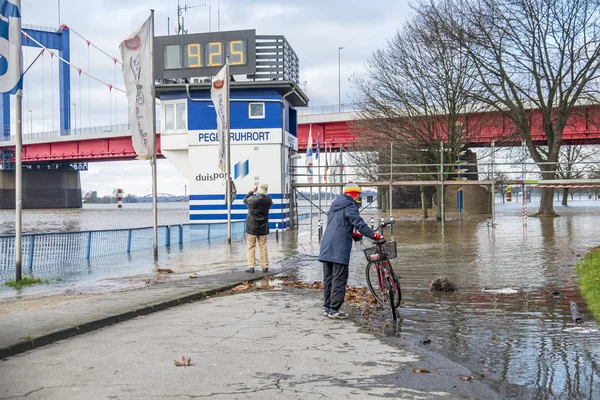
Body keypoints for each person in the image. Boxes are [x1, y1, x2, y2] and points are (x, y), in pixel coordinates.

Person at [318, 182, 382, 319]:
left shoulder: (335, 205)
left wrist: (352, 234)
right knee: (339, 278)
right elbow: (358, 222)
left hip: (326, 245)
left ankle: (327, 307)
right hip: (339, 247)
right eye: (358, 195)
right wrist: (373, 234)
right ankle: (334, 310)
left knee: (328, 278)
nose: (359, 197)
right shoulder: (350, 205)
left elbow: (337, 224)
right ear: (354, 194)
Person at [244, 183, 273, 273]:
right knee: (263, 247)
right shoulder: (268, 200)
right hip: (263, 227)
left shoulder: (252, 199)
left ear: (258, 189)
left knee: (251, 247)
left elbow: (245, 199)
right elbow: (267, 200)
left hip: (252, 227)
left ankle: (251, 267)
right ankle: (265, 266)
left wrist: (252, 191)